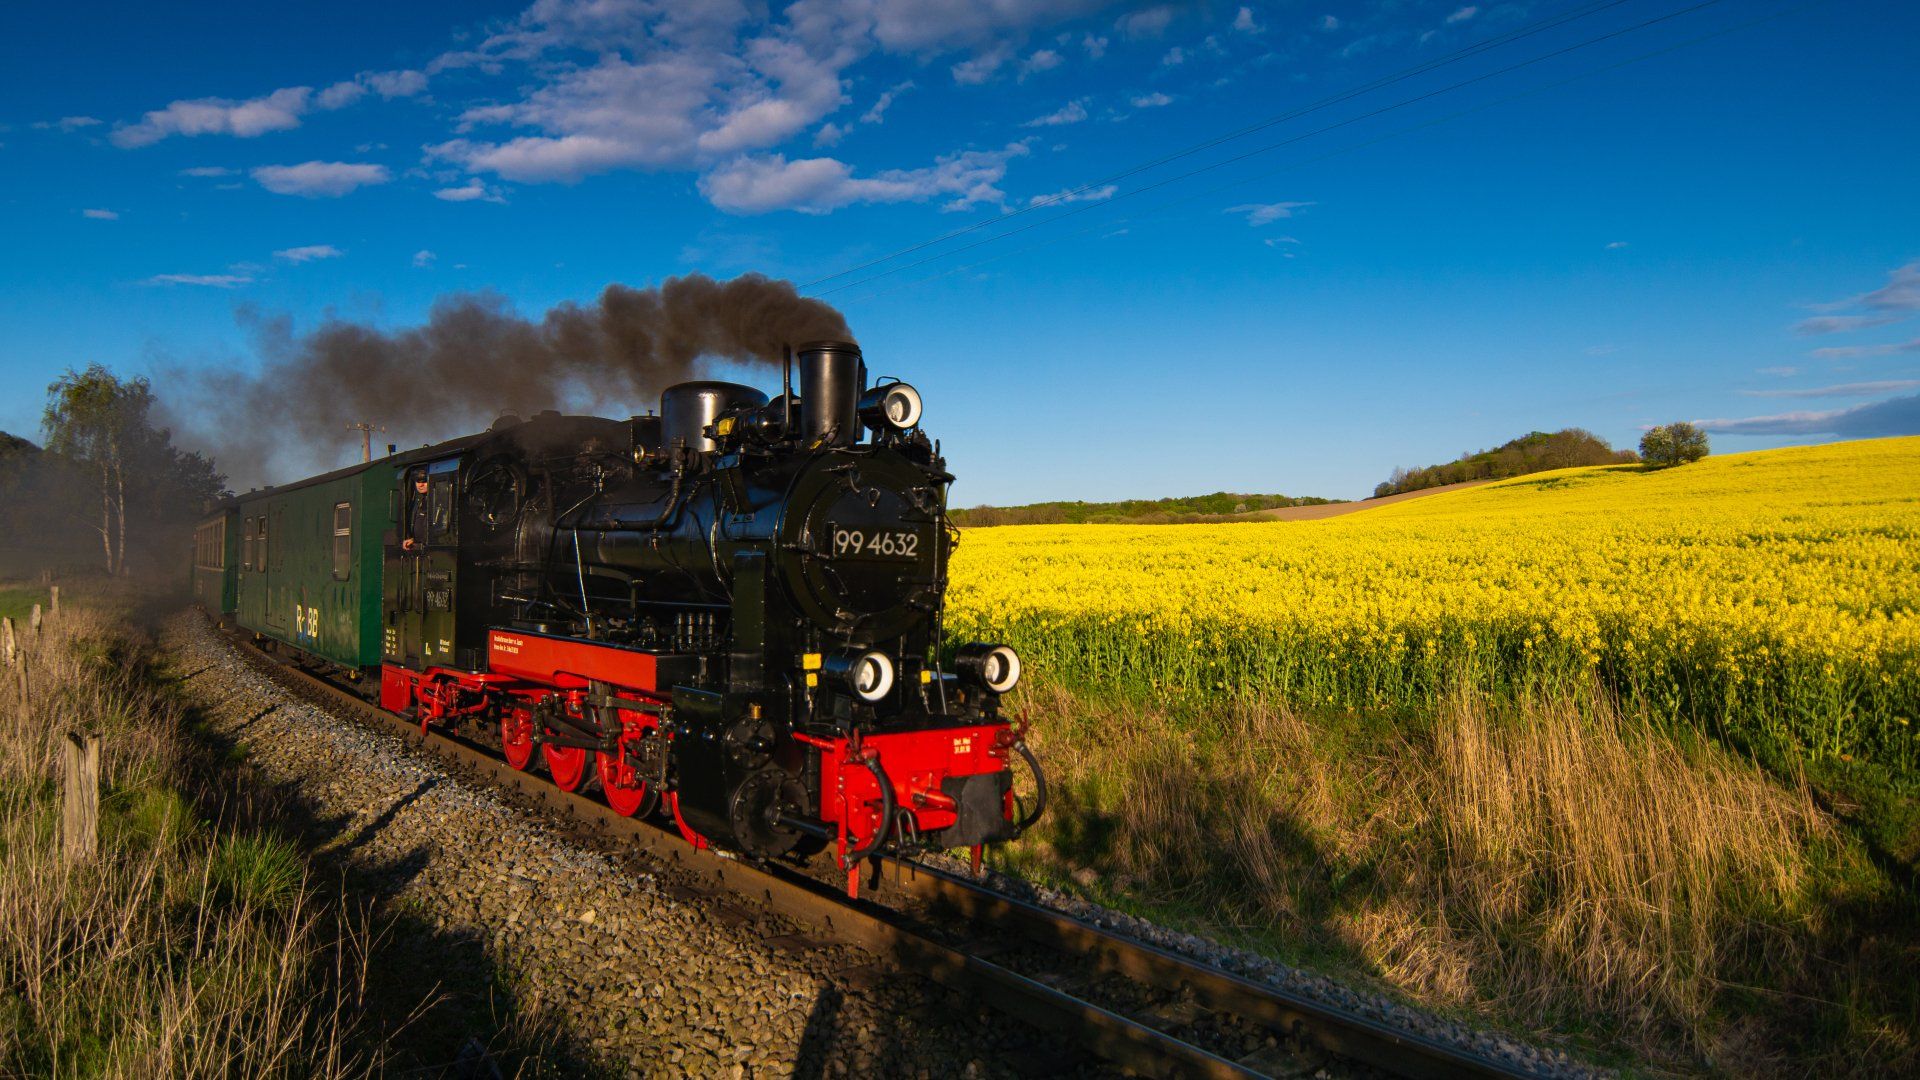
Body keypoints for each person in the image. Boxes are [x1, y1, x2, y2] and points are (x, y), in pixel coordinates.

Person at [402, 472, 431, 553]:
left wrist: (416, 540)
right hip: (418, 547)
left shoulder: (436, 501)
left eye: (424, 481)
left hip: (427, 548)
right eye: (418, 482)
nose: (420, 485)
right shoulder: (418, 501)